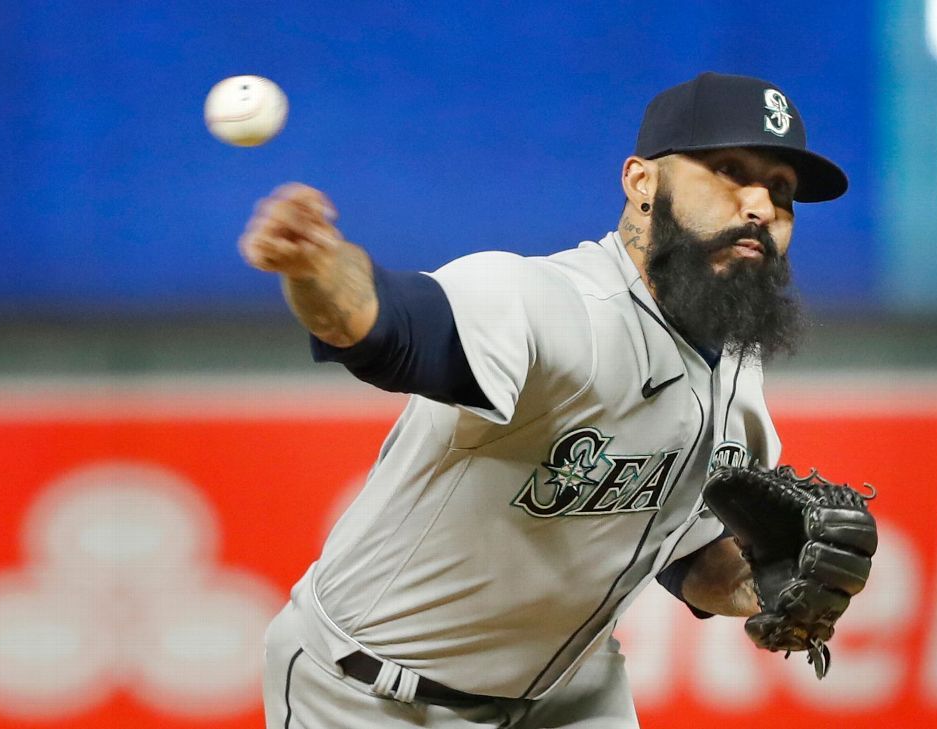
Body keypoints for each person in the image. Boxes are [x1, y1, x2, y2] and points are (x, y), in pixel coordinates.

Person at [244, 72, 850, 729]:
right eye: (729, 170)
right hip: (372, 694)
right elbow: (383, 323)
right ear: (641, 183)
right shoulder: (551, 306)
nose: (760, 203)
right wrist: (314, 268)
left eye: (781, 191)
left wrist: (763, 578)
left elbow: (682, 553)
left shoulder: (737, 362)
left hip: (570, 696)